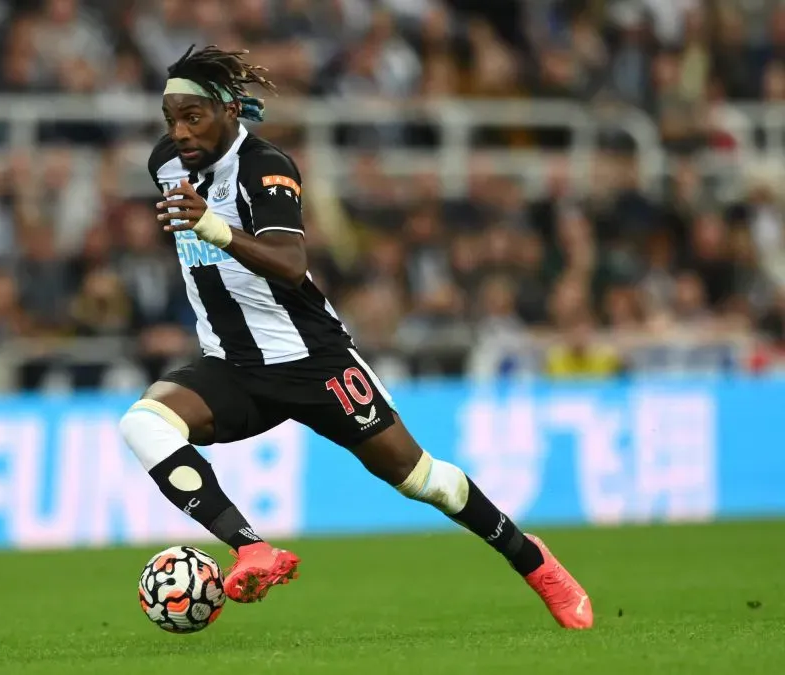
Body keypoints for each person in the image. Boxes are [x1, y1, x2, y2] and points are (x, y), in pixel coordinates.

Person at [119, 45, 592, 629]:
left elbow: (290, 264)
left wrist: (212, 226)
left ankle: (535, 562)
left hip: (313, 360)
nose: (180, 132)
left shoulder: (266, 167)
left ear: (229, 111)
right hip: (232, 365)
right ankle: (252, 548)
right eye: (171, 120)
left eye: (193, 117)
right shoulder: (166, 164)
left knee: (423, 481)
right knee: (143, 423)